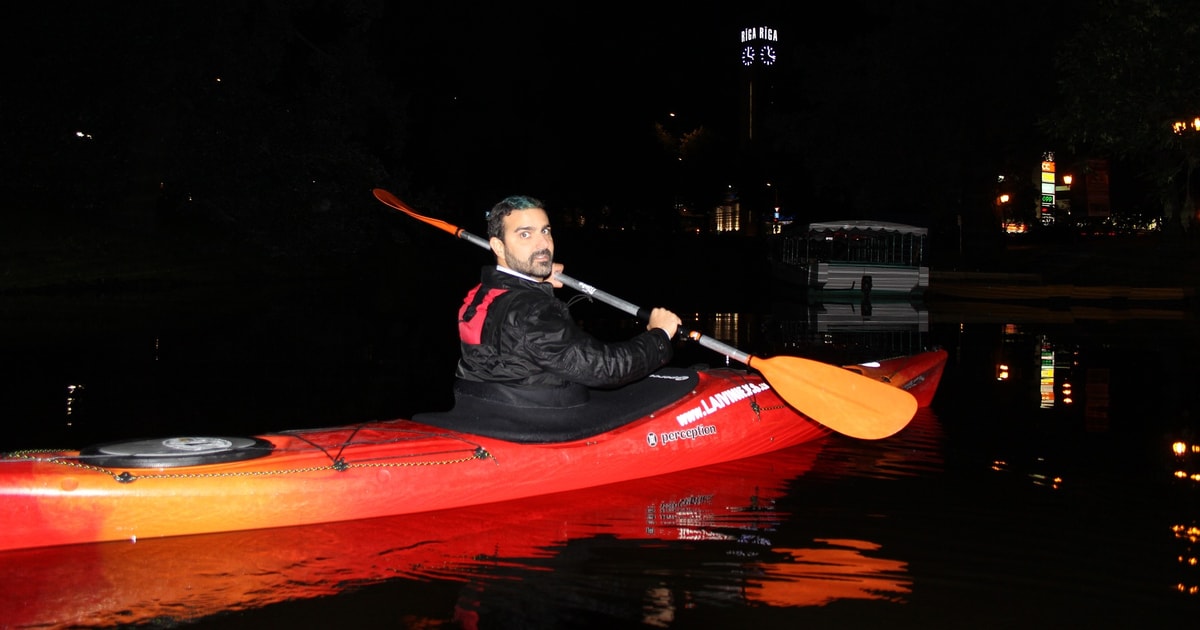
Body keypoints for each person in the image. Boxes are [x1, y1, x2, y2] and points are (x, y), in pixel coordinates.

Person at [453, 194, 682, 410]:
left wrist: (536, 281)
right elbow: (605, 368)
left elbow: (512, 334)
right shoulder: (531, 311)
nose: (542, 244)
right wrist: (659, 336)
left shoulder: (479, 295)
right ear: (498, 246)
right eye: (525, 235)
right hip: (544, 418)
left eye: (545, 231)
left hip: (494, 407)